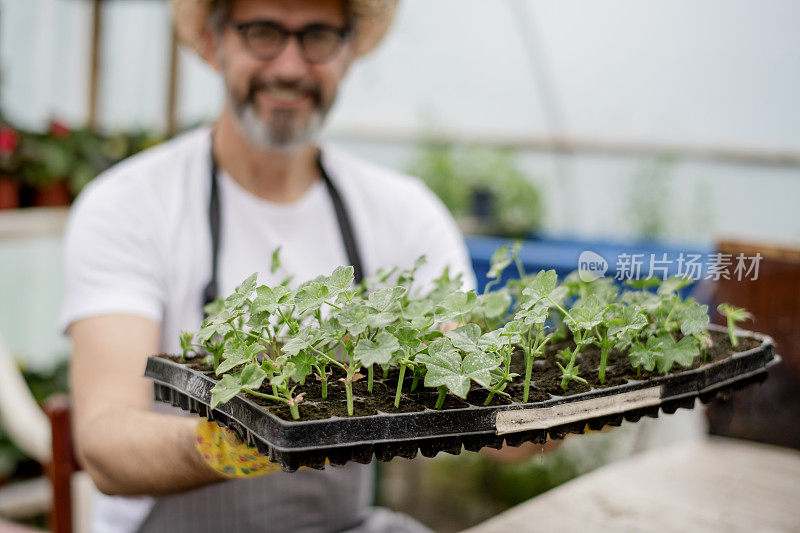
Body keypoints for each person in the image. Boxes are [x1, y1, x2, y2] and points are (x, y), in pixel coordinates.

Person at [59, 0, 476, 531]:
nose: (289, 66)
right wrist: (248, 439)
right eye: (262, 32)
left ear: (349, 50)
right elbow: (106, 442)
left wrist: (564, 410)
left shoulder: (405, 214)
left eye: (318, 36)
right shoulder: (129, 205)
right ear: (214, 43)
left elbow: (469, 392)